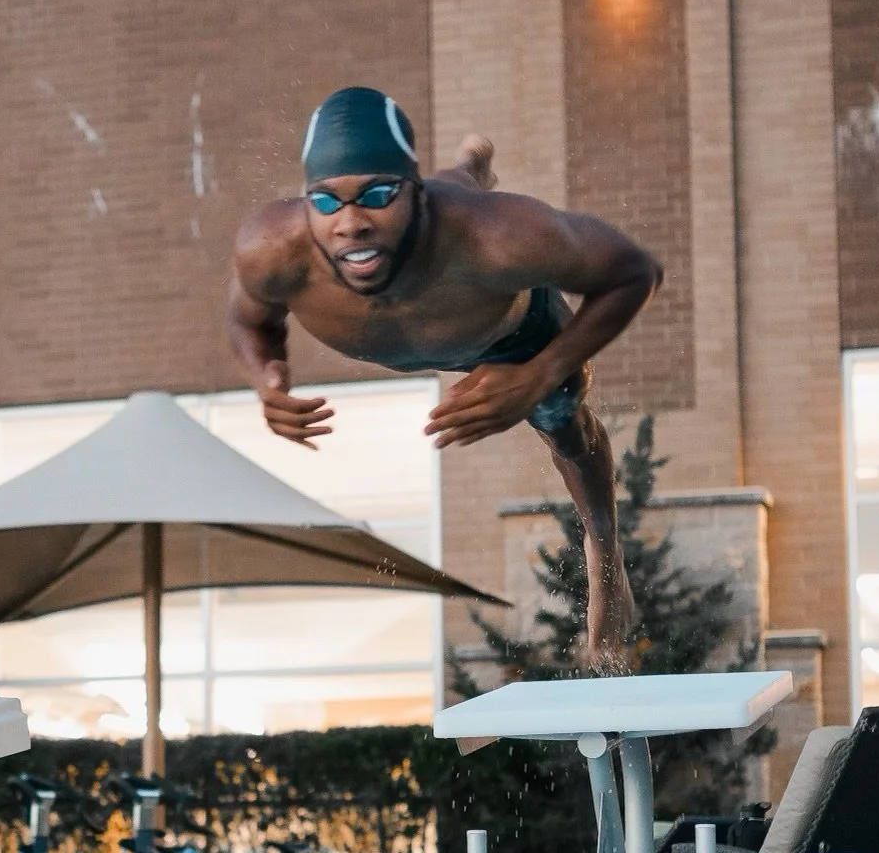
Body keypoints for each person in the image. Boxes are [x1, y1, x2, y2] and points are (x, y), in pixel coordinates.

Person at [226, 85, 663, 662]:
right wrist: (266, 379)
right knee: (458, 175)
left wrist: (536, 374)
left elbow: (636, 272)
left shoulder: (499, 235)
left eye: (378, 195)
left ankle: (604, 555)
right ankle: (471, 160)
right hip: (434, 306)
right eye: (327, 202)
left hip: (509, 332)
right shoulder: (272, 248)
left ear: (415, 194)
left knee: (564, 418)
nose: (351, 223)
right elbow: (246, 320)